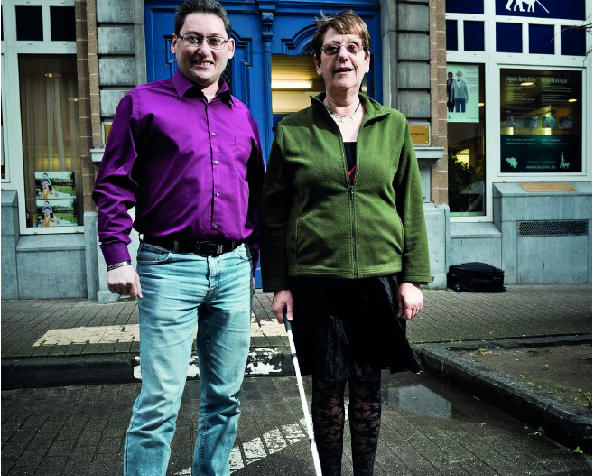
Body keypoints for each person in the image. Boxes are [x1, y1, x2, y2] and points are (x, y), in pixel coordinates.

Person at [92, 1, 265, 474]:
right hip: (167, 268)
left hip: (232, 271)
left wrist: (252, 256)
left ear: (230, 49)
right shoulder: (142, 104)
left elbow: (257, 192)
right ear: (174, 45)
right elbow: (113, 184)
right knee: (160, 401)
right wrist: (117, 257)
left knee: (225, 398)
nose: (203, 49)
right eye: (193, 38)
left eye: (214, 40)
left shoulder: (242, 116)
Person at [260, 10, 431, 476]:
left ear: (367, 60)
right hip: (318, 281)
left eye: (353, 48)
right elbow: (273, 214)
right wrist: (279, 284)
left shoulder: (393, 125)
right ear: (318, 63)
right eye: (332, 49)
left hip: (379, 276)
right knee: (328, 387)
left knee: (368, 385)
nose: (343, 57)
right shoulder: (293, 130)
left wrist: (413, 278)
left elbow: (410, 205)